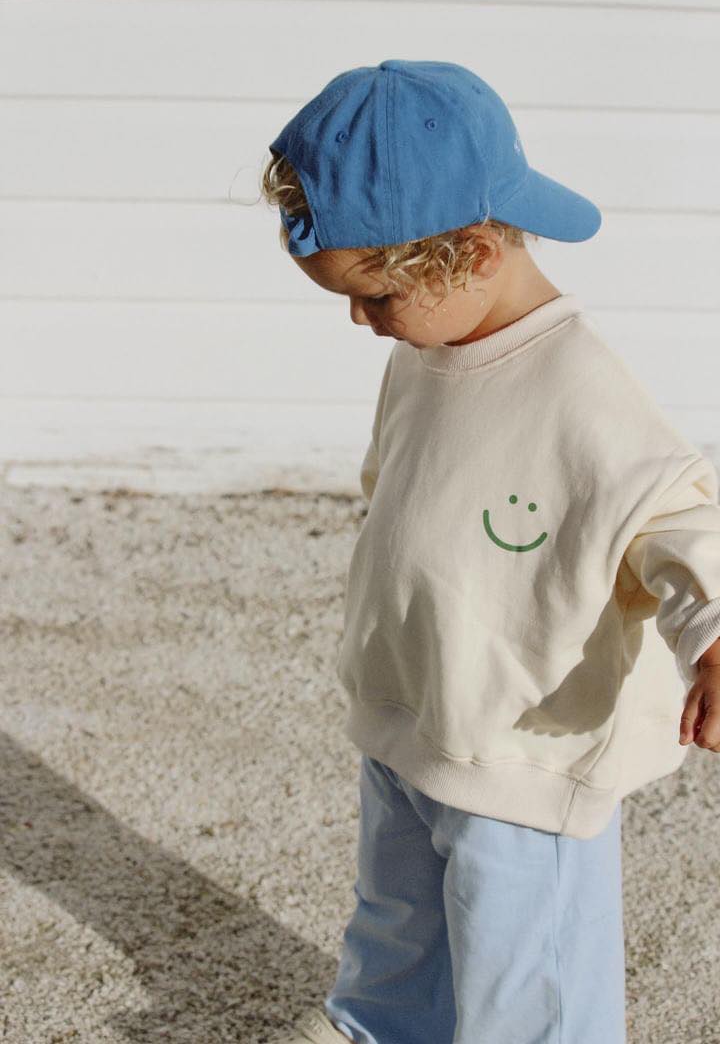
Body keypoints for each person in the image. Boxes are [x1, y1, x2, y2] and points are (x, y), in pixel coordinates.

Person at [255, 60, 720, 1044]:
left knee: (526, 977)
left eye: (374, 296)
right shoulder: (427, 350)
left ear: (467, 254)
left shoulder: (580, 389)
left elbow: (676, 520)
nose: (361, 320)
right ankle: (376, 1029)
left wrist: (713, 635)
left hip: (520, 754)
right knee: (397, 927)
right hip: (414, 714)